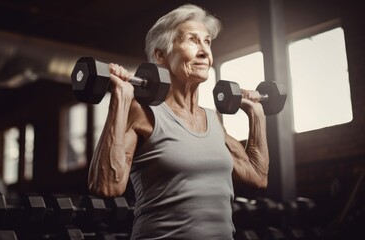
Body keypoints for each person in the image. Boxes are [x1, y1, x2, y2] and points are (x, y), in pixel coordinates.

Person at [88, 4, 269, 239]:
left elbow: (258, 176)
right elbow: (106, 186)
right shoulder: (144, 113)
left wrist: (256, 114)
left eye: (207, 42)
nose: (204, 51)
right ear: (161, 55)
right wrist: (121, 97)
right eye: (193, 41)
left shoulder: (212, 119)